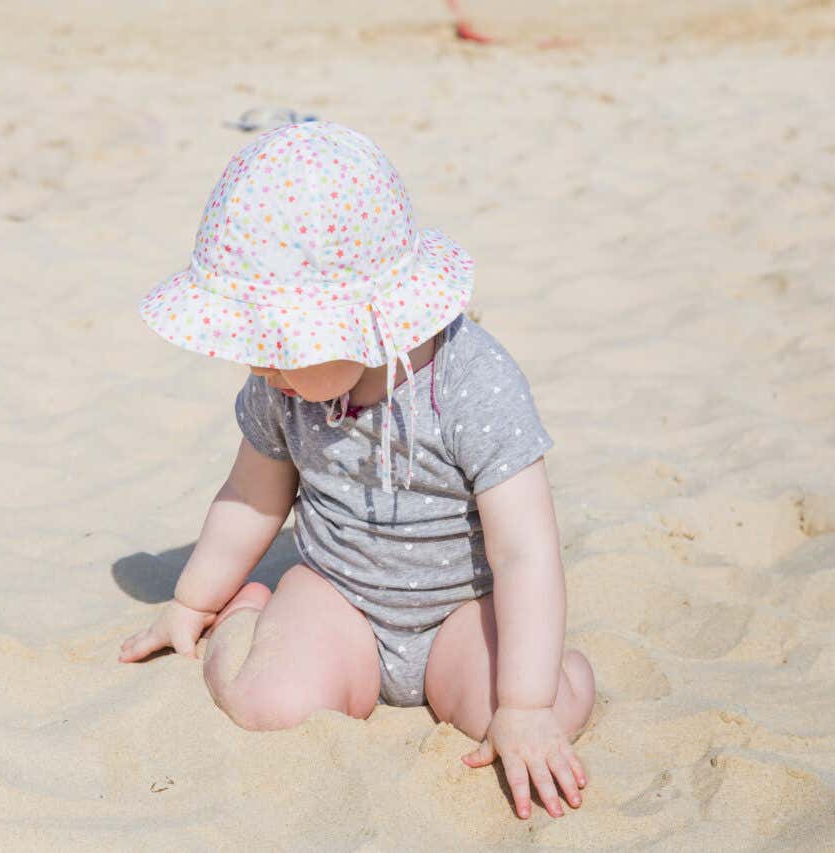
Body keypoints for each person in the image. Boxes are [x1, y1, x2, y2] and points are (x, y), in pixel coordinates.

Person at [120, 121, 595, 821]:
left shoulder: (472, 382)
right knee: (268, 705)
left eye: (275, 342)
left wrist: (524, 705)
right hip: (338, 598)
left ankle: (544, 676)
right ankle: (250, 615)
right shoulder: (285, 387)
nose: (260, 364)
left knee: (530, 709)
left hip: (462, 609)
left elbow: (524, 549)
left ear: (363, 321)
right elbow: (251, 496)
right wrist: (193, 602)